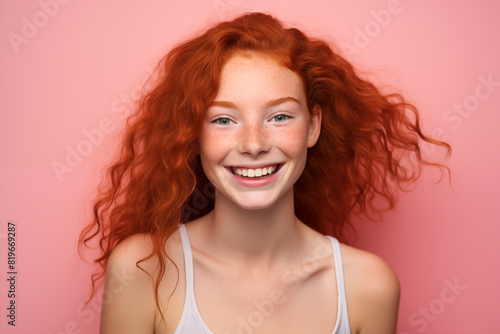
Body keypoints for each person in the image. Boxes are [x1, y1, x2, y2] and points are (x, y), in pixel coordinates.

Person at [79, 12, 450, 334]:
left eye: (280, 117)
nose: (253, 144)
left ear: (313, 126)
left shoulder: (367, 286)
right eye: (223, 119)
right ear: (194, 133)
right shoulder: (143, 270)